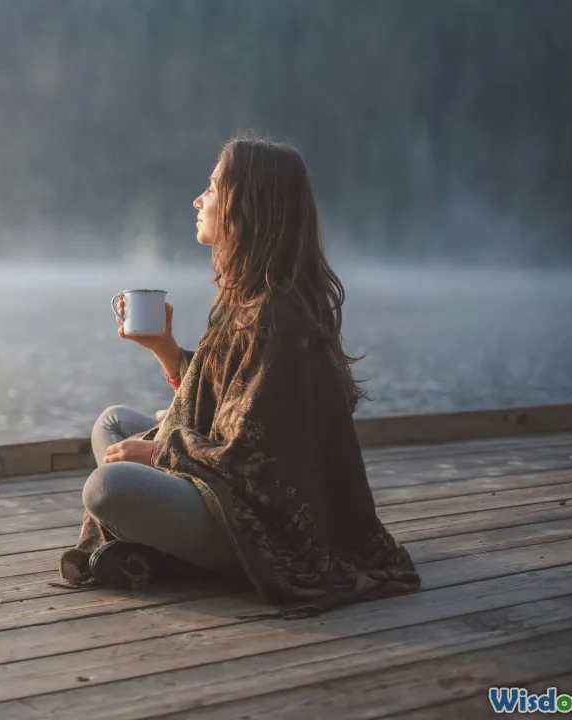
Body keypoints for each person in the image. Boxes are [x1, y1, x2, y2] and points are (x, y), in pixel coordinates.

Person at [58, 133, 421, 618]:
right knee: (114, 423)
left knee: (108, 489)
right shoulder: (247, 297)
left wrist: (161, 450)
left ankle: (175, 551)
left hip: (266, 526)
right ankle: (156, 540)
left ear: (245, 205)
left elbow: (253, 457)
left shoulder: (279, 314)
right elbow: (226, 400)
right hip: (226, 487)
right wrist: (165, 350)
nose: (198, 199)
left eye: (211, 187)